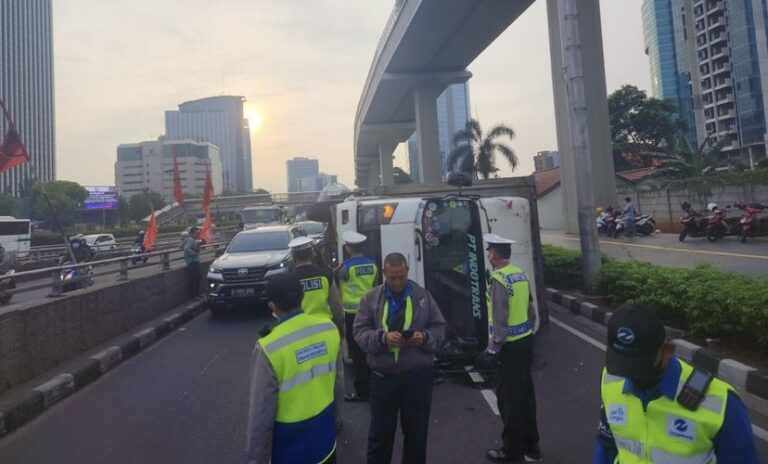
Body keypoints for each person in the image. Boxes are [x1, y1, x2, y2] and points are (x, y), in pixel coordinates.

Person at [593, 303, 759, 464]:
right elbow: (606, 444)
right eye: (621, 363)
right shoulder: (611, 379)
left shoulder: (721, 402)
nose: (629, 374)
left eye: (638, 365)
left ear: (667, 351)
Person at [354, 252, 446, 464]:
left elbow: (440, 330)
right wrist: (383, 338)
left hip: (417, 378)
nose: (397, 282)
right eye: (392, 277)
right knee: (380, 436)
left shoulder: (423, 296)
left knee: (416, 436)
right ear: (384, 273)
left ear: (407, 271)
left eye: (402, 277)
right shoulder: (370, 299)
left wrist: (424, 338)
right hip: (382, 378)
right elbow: (359, 333)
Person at [246, 273, 343, 464]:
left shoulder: (268, 347)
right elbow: (338, 383)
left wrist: (256, 460)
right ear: (303, 296)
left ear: (272, 306)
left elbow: (260, 415)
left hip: (289, 448)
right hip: (325, 442)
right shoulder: (329, 329)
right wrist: (336, 422)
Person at [476, 234, 542, 463]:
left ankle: (512, 451)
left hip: (510, 348)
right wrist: (526, 333)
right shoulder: (520, 274)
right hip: (525, 342)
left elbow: (500, 320)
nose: (488, 255)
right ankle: (531, 444)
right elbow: (531, 312)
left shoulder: (499, 279)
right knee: (526, 395)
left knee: (508, 400)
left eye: (488, 251)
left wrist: (493, 350)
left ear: (493, 253)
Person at [337, 230, 379, 402]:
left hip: (352, 314)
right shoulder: (373, 264)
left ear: (348, 248)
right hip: (371, 312)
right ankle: (374, 383)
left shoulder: (346, 267)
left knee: (358, 353)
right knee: (371, 348)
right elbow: (375, 286)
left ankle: (362, 390)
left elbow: (335, 281)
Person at [288, 236, 344, 332]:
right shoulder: (325, 274)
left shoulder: (289, 279)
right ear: (312, 254)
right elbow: (336, 304)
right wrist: (340, 324)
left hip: (301, 328)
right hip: (326, 326)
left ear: (294, 256)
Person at [183, 227, 201, 298]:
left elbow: (181, 246)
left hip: (192, 261)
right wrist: (194, 253)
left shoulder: (190, 239)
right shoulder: (191, 240)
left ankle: (195, 295)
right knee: (196, 278)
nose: (198, 234)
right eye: (197, 233)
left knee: (195, 278)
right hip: (193, 262)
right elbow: (186, 248)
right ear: (192, 233)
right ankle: (194, 295)